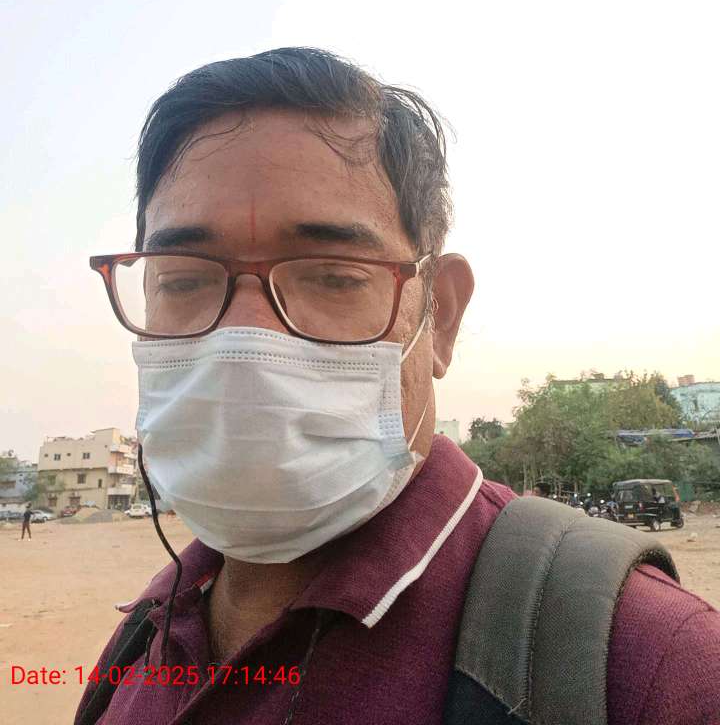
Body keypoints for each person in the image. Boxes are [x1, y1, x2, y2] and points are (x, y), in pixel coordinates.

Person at [77, 48, 720, 725]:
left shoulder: (654, 667)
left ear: (440, 316)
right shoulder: (143, 635)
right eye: (184, 278)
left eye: (333, 276)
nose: (244, 340)